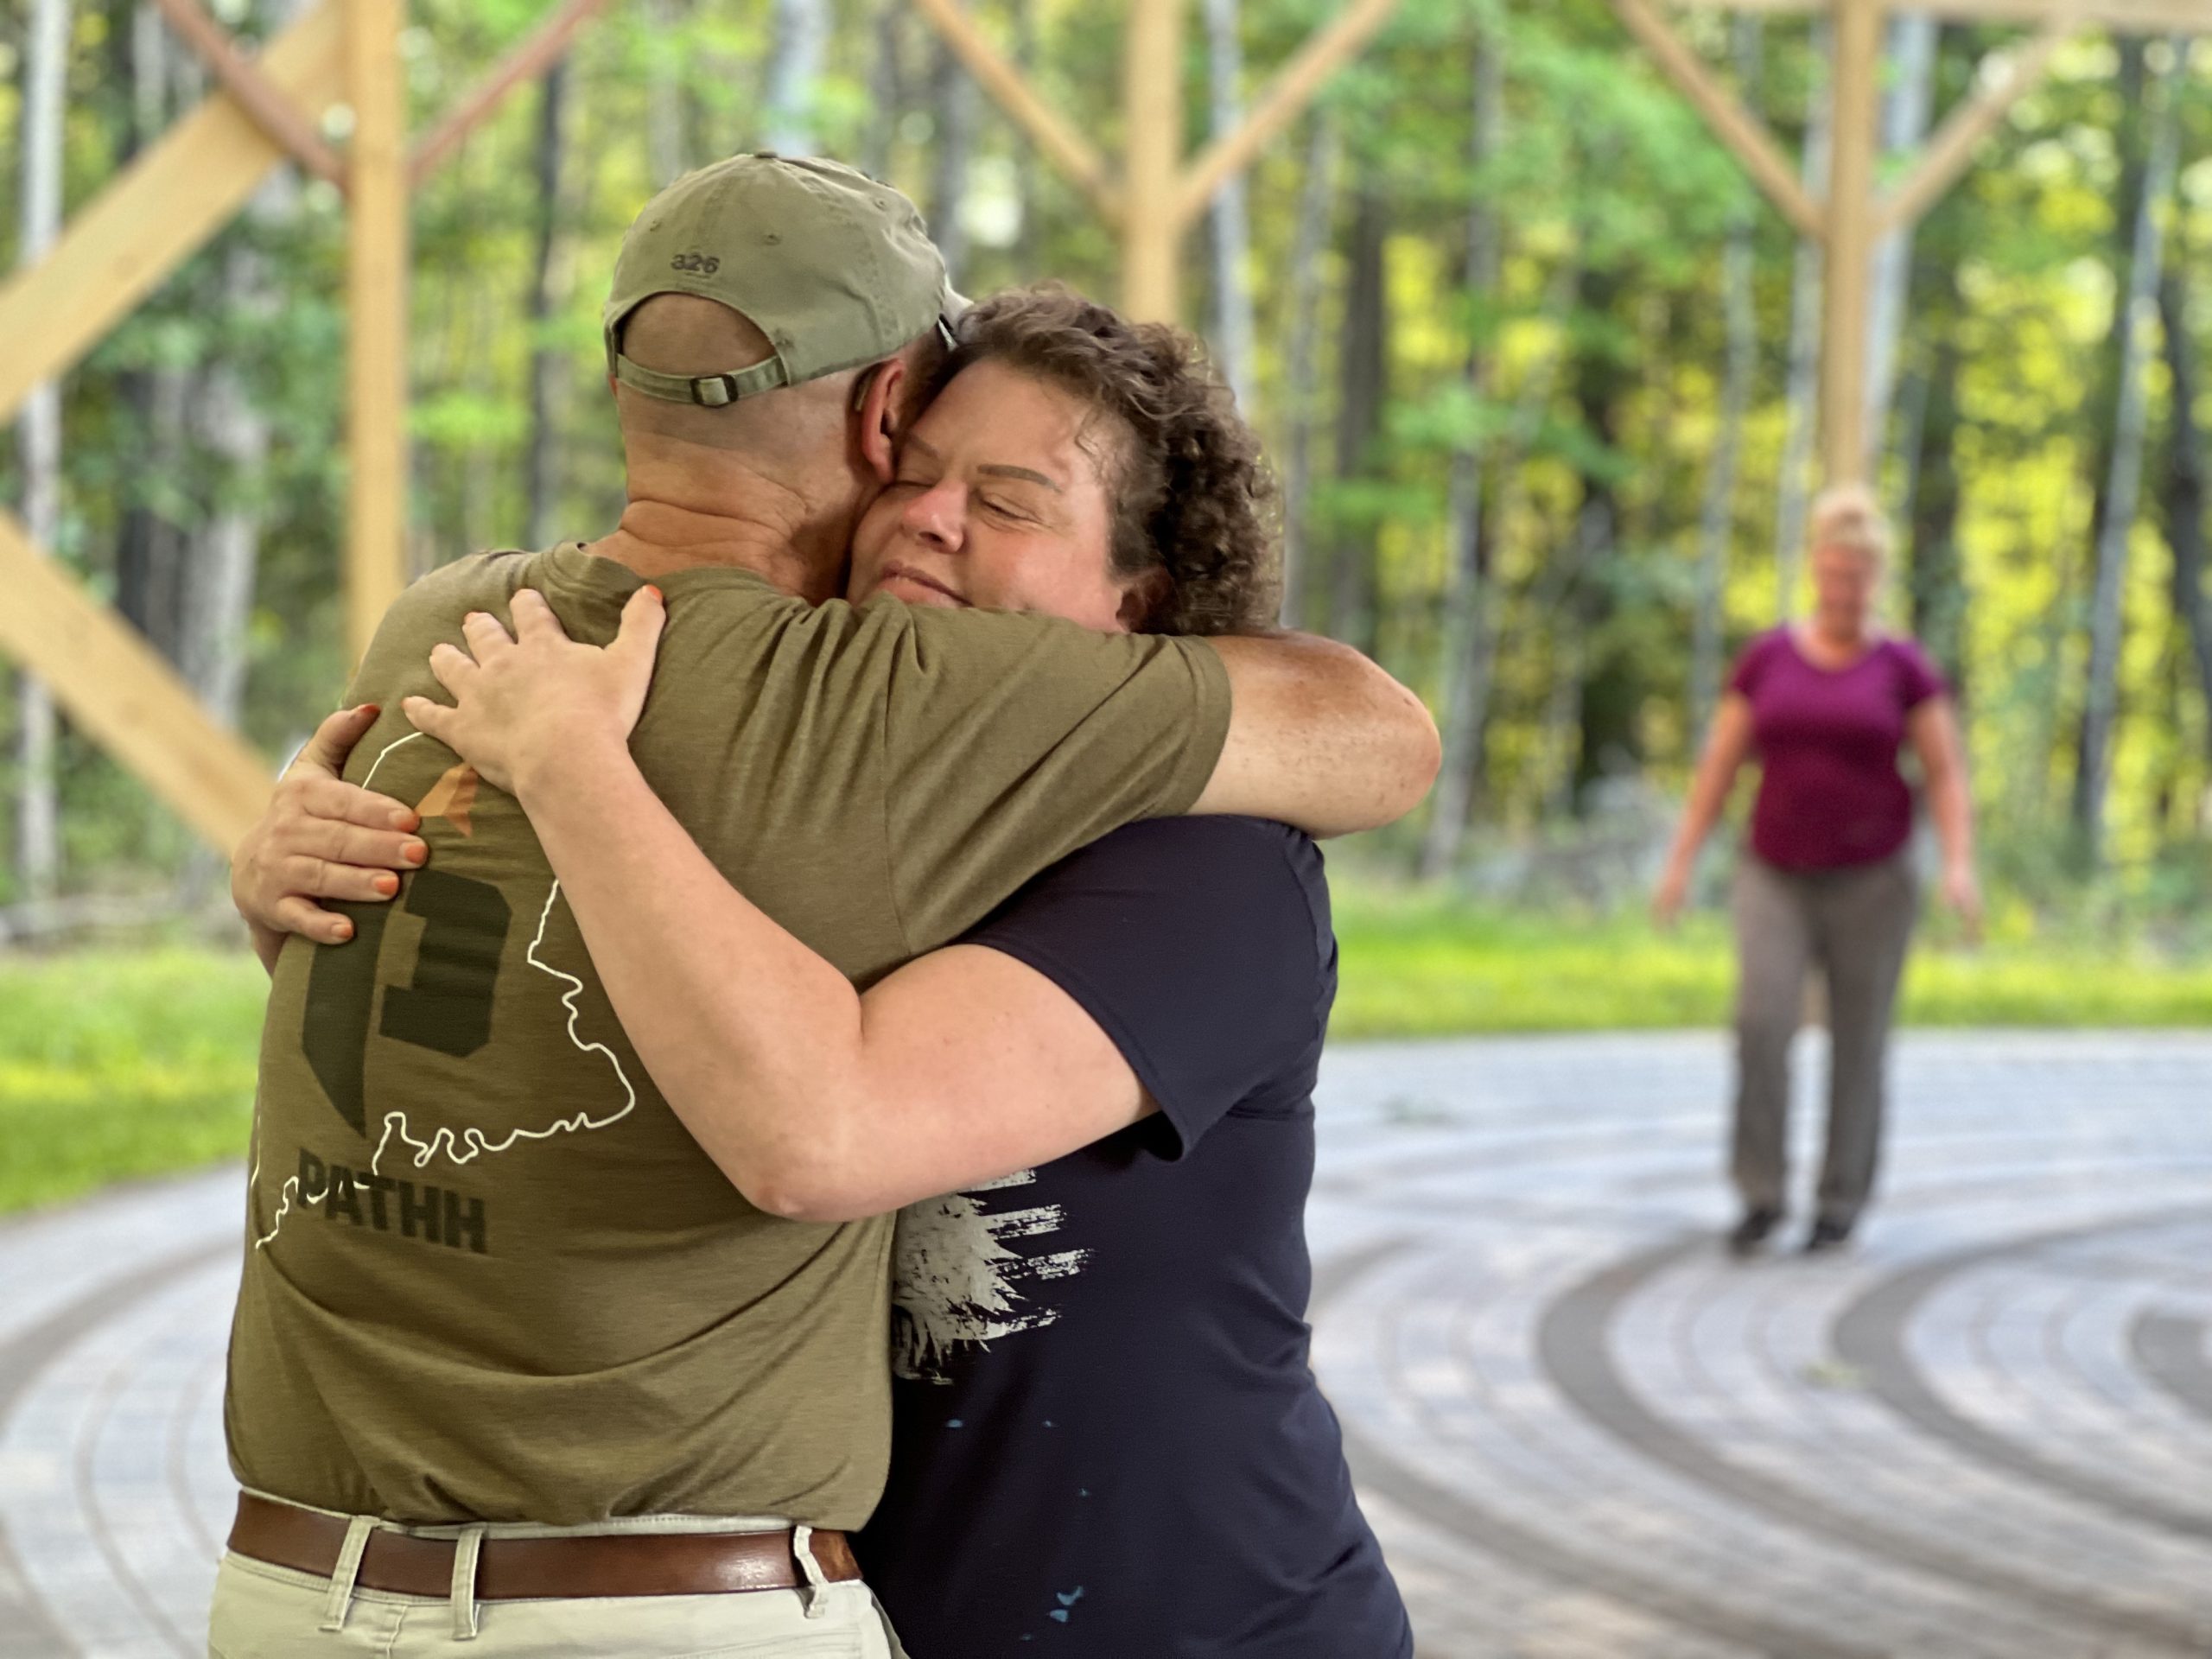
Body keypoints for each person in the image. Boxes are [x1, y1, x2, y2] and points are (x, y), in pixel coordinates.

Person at [215, 159, 1438, 1658]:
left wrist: (577, 769)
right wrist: (291, 887)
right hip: (868, 1596)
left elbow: (819, 1133)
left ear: (1140, 600)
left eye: (1004, 501)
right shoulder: (831, 742)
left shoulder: (1202, 864)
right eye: (917, 471)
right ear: (871, 426)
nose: (925, 519)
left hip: (1187, 1620)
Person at [1654, 484, 1979, 1255]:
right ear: (1815, 570)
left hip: (1874, 879)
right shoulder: (1767, 657)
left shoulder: (1904, 667)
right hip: (1774, 871)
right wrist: (1681, 861)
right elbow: (1720, 764)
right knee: (1762, 1021)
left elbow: (1946, 772)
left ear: (1877, 577)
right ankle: (1760, 1193)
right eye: (1833, 573)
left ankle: (1840, 1201)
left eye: (1858, 576)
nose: (1844, 589)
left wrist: (1959, 866)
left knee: (1859, 1036)